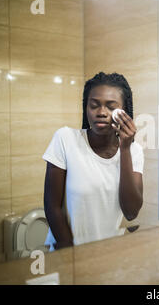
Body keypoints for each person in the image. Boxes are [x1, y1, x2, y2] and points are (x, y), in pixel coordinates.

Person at [43, 72, 144, 251]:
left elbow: (131, 212)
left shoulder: (134, 151)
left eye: (111, 107)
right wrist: (70, 253)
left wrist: (125, 149)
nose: (101, 113)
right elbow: (52, 207)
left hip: (107, 253)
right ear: (86, 108)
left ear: (124, 112)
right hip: (67, 252)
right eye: (94, 105)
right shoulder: (65, 139)